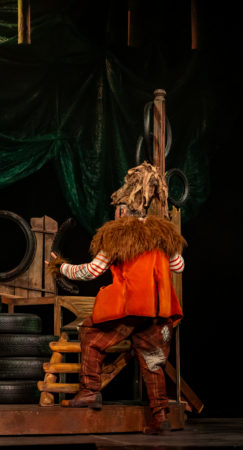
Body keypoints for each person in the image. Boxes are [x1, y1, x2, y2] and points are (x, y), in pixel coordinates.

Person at [46, 162, 185, 436]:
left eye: (116, 210)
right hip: (159, 312)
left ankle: (90, 391)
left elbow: (92, 271)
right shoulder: (163, 233)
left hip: (131, 308)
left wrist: (61, 268)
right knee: (153, 362)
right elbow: (178, 266)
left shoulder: (117, 234)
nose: (114, 214)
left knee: (90, 335)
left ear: (123, 210)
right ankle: (160, 416)